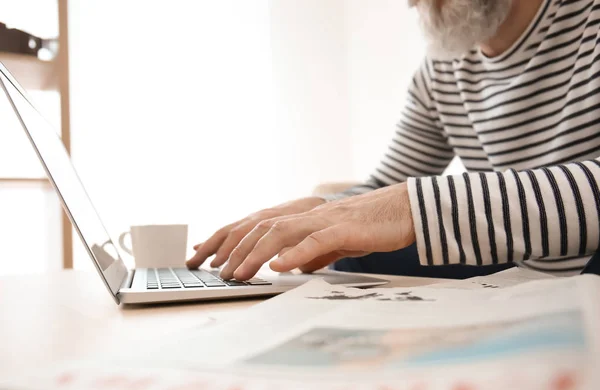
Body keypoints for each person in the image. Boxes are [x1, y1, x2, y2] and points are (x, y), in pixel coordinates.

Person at [187, 0, 600, 281]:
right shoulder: (442, 70)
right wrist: (322, 209)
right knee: (347, 251)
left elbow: (407, 203)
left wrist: (416, 203)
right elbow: (388, 185)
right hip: (525, 281)